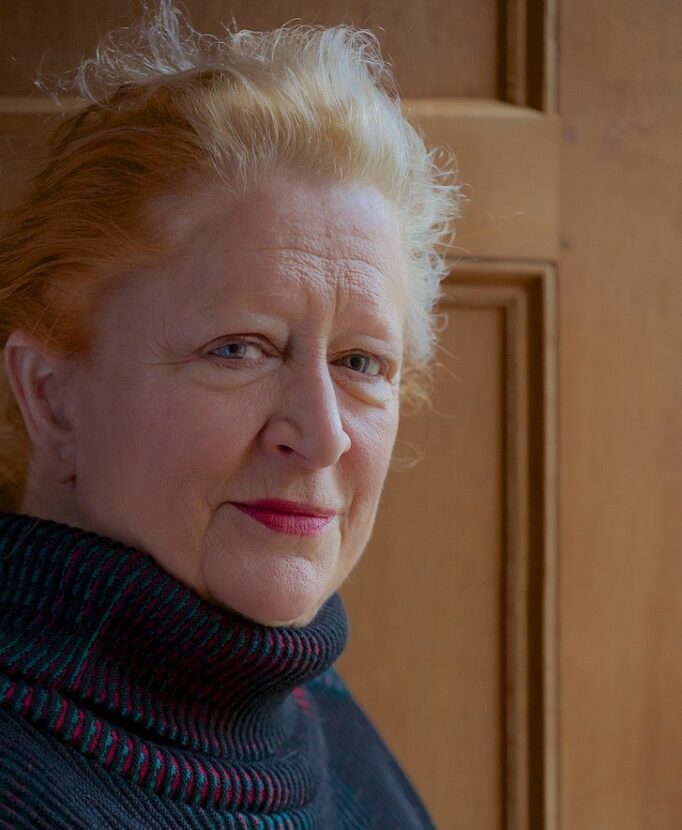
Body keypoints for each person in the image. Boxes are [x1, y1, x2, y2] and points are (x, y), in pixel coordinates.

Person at [0, 2, 463, 827]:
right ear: (51, 397)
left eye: (361, 363)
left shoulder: (310, 704)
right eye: (239, 349)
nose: (321, 436)